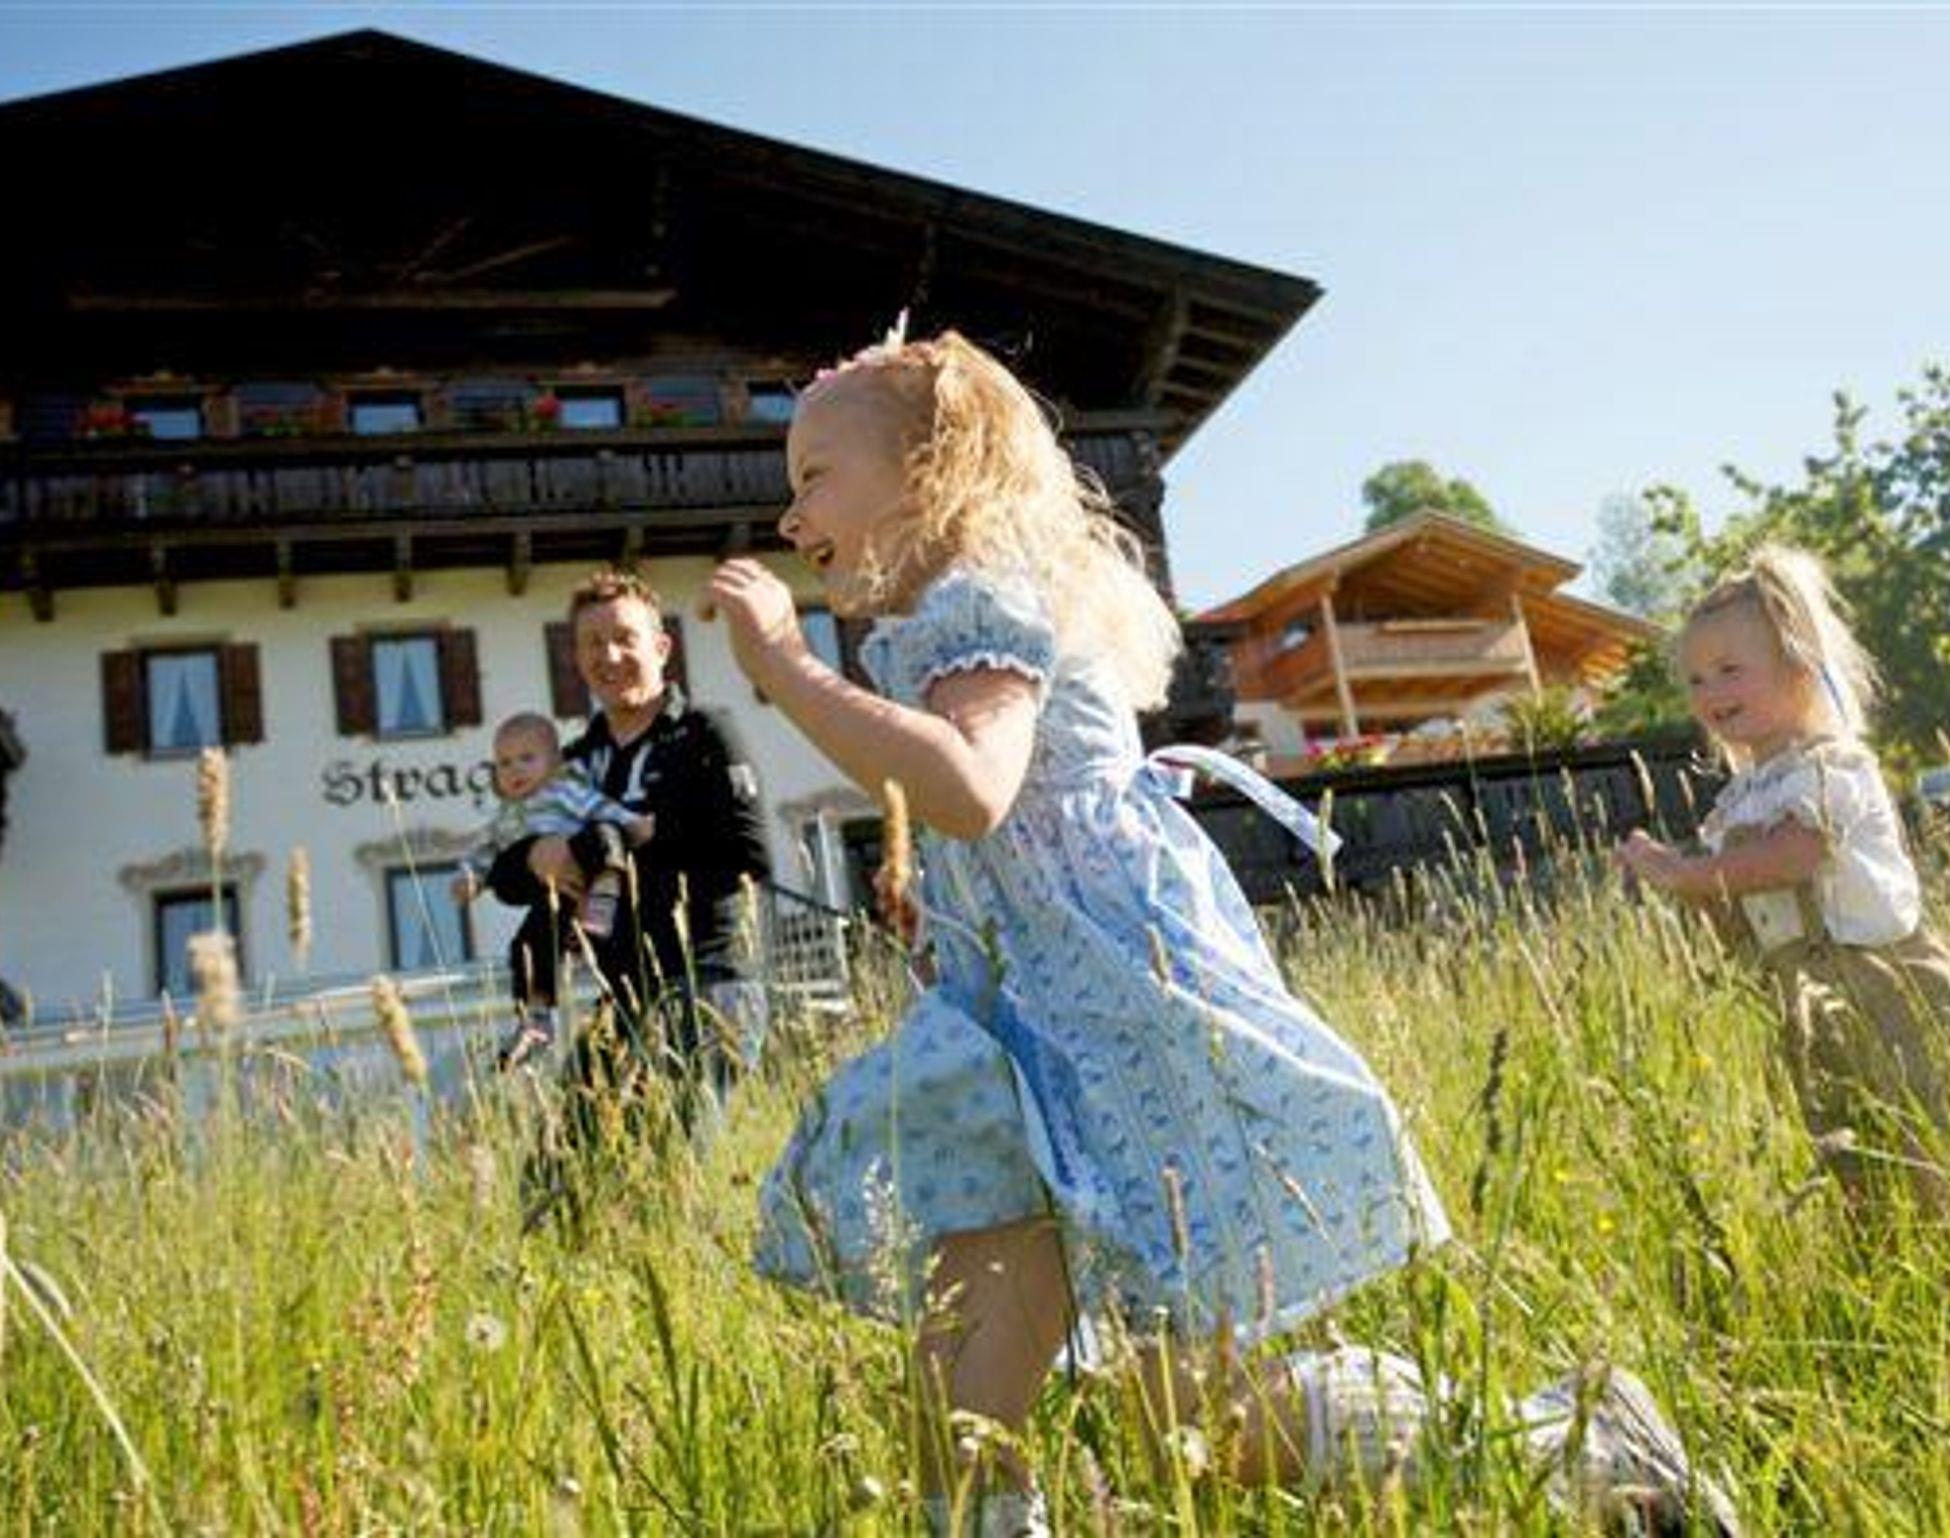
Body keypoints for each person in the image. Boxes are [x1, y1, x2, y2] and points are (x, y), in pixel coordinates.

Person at [702, 329, 1734, 1536]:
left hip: (1114, 1027)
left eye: (813, 475)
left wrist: (784, 662)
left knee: (1195, 1422)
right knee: (1016, 1389)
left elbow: (970, 786)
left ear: (931, 469)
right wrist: (953, 922)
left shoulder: (980, 592)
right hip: (1021, 1042)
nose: (791, 517)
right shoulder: (942, 618)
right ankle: (1571, 1446)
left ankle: (1576, 1447)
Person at [1617, 544, 1950, 1213]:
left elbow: (1794, 856)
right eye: (1696, 680)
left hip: (1887, 987)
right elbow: (1739, 909)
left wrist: (1690, 874)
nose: (1710, 692)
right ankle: (1884, 1244)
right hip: (1804, 1000)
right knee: (1852, 1152)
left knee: (1934, 1141)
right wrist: (1682, 886)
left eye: (1730, 670)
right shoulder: (1741, 800)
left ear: (1798, 665)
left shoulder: (1828, 766)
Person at [486, 570, 772, 1166]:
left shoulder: (706, 732)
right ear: (576, 659)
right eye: (592, 643)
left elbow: (746, 854)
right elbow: (506, 876)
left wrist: (607, 847)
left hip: (705, 986)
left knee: (670, 1175)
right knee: (561, 1182)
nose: (609, 655)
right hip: (620, 999)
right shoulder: (571, 762)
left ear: (661, 647)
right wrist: (536, 855)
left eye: (624, 638)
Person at [454, 711, 651, 1069]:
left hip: (589, 869)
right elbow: (485, 850)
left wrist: (636, 823)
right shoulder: (506, 816)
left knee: (604, 833)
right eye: (504, 763)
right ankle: (536, 1017)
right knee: (528, 946)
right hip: (554, 896)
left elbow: (601, 808)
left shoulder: (563, 791)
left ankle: (604, 897)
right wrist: (471, 878)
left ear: (555, 763)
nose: (515, 770)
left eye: (527, 759)